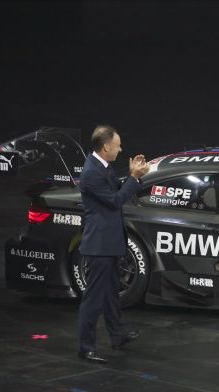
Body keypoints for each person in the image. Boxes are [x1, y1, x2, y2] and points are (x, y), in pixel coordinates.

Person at [77, 125, 150, 363]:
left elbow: (115, 190)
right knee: (94, 298)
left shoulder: (102, 166)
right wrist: (134, 177)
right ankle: (86, 347)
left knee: (110, 294)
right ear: (106, 147)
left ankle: (117, 335)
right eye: (118, 145)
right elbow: (115, 200)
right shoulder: (91, 173)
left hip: (110, 242)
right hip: (99, 246)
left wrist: (131, 174)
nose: (121, 149)